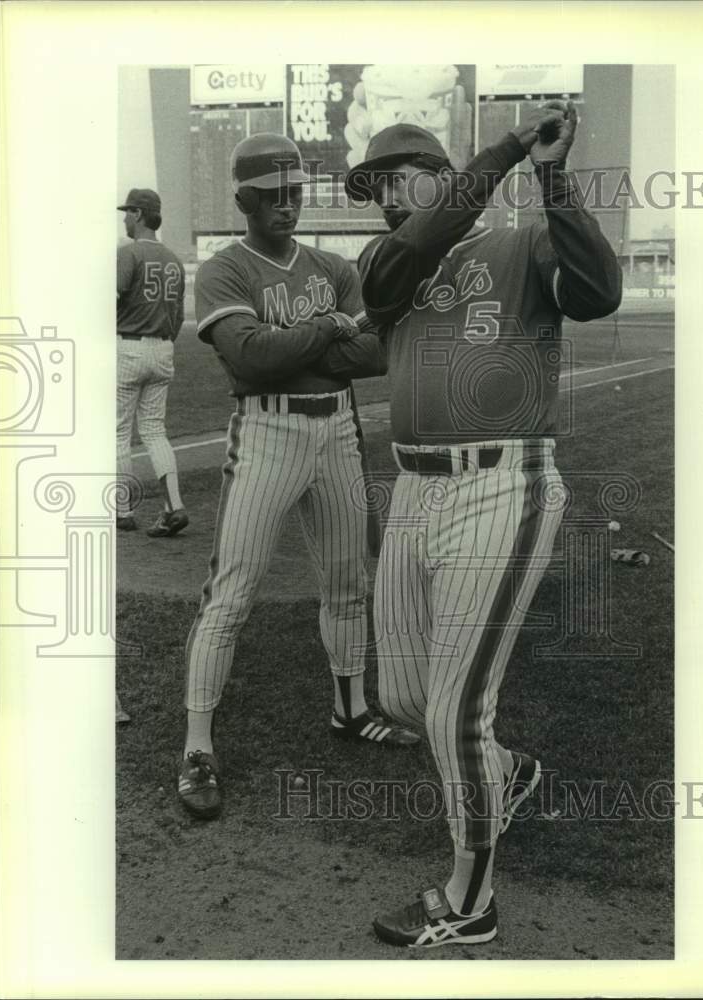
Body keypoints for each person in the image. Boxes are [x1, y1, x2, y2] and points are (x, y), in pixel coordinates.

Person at [345, 101, 622, 948]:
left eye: (401, 176)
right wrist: (504, 147)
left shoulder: (521, 243)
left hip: (504, 482)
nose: (388, 194)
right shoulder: (385, 261)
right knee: (398, 695)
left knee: (453, 711)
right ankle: (510, 773)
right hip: (416, 490)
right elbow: (408, 251)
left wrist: (548, 174)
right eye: (376, 183)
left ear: (440, 174)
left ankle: (471, 902)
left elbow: (601, 294)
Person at [178, 133, 419, 821]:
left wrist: (301, 344)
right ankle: (198, 746)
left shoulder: (333, 264)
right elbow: (251, 362)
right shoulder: (224, 270)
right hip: (266, 430)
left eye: (294, 193)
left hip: (337, 426)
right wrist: (328, 330)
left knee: (348, 584)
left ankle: (350, 707)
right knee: (232, 591)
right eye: (271, 196)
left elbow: (374, 353)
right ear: (243, 200)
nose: (287, 205)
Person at [116, 188, 188, 537]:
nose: (125, 218)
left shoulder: (128, 253)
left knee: (117, 432)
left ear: (140, 214)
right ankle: (174, 505)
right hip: (163, 349)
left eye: (128, 212)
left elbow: (110, 301)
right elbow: (175, 318)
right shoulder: (173, 259)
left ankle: (123, 510)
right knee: (155, 431)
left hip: (128, 347)